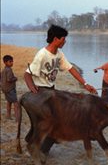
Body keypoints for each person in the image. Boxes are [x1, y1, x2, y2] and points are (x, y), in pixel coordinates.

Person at [24, 24, 97, 155]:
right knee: (55, 123)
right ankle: (42, 149)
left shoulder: (59, 54)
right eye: (63, 38)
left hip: (51, 91)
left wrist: (85, 84)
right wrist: (32, 87)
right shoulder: (42, 54)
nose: (65, 41)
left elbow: (71, 69)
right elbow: (27, 74)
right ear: (56, 39)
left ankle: (37, 144)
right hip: (41, 92)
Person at [1, 55, 20, 122]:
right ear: (5, 62)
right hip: (10, 89)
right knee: (16, 103)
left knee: (9, 102)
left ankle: (8, 116)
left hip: (5, 89)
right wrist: (15, 78)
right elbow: (9, 79)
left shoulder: (3, 70)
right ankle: (17, 119)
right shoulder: (9, 70)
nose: (12, 63)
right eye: (10, 61)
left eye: (12, 61)